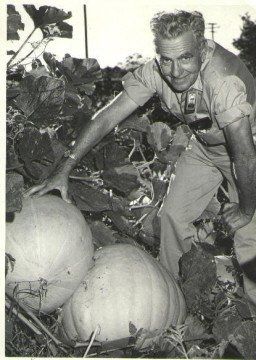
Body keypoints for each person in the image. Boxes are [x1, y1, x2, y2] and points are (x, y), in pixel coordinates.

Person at [26, 11, 256, 307]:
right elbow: (107, 117)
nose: (175, 71)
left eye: (185, 58)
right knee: (173, 216)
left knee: (250, 236)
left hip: (248, 150)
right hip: (205, 147)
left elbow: (245, 155)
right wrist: (65, 167)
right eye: (166, 59)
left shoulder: (222, 82)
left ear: (201, 48)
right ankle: (177, 300)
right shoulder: (155, 72)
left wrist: (247, 210)